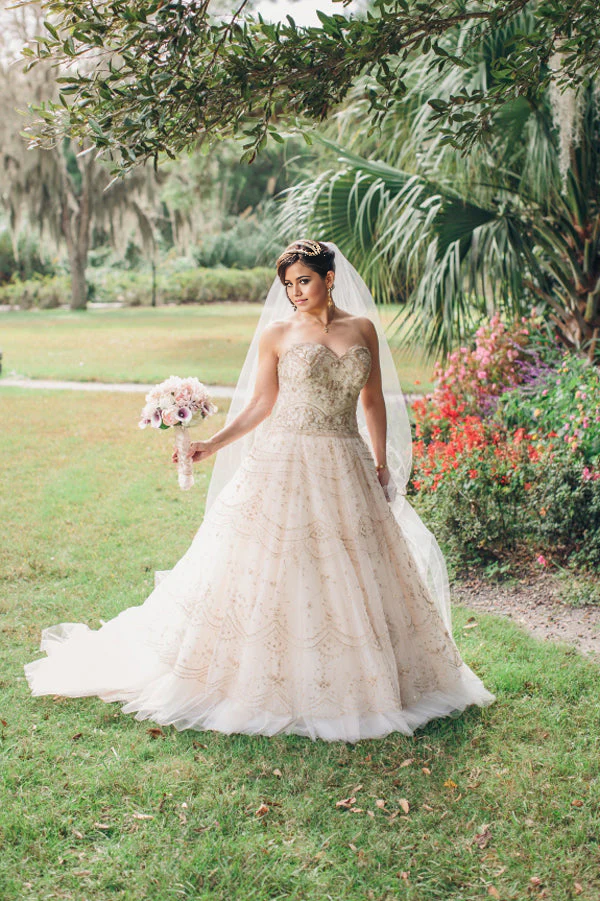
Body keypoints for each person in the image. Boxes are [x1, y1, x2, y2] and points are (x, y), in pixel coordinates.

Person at [24, 240, 496, 743]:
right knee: (273, 567)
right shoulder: (277, 334)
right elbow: (260, 404)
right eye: (288, 285)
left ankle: (364, 677)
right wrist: (211, 443)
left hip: (347, 459)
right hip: (286, 461)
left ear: (329, 277)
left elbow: (374, 400)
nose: (295, 293)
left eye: (304, 281)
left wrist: (382, 463)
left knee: (354, 569)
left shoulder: (363, 330)